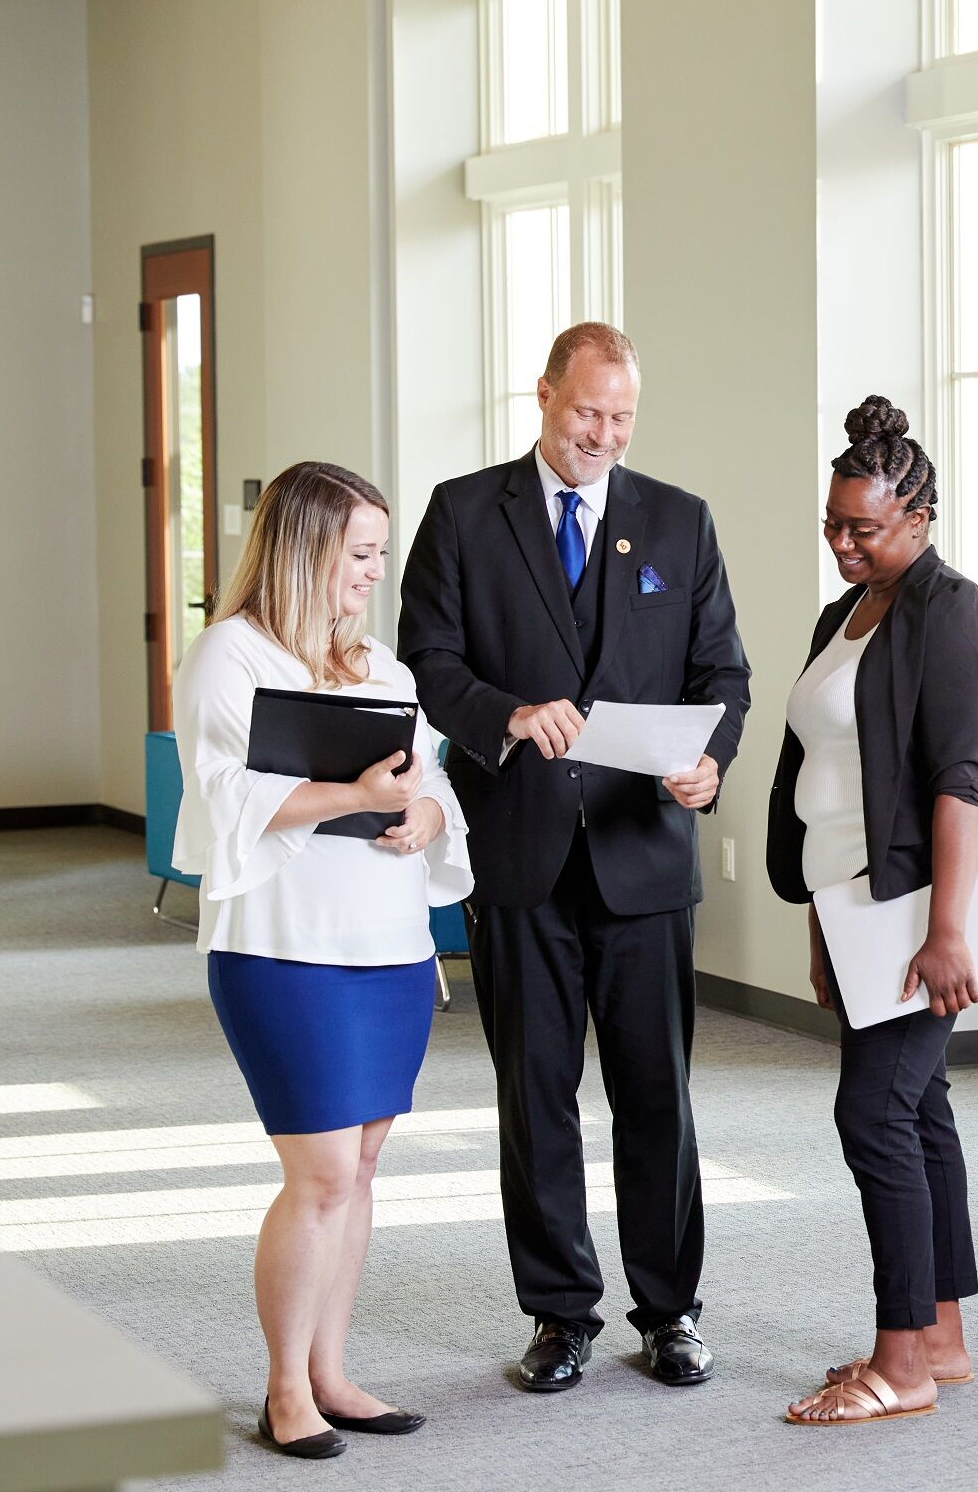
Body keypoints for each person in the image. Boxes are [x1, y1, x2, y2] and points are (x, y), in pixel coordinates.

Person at [398, 321, 750, 1394]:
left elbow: (722, 675)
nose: (602, 434)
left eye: (621, 418)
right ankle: (559, 1314)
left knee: (658, 1097)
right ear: (545, 394)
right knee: (536, 1097)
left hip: (645, 857)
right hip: (521, 856)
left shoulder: (680, 521)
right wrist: (506, 714)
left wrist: (711, 763)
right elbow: (428, 660)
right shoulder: (464, 512)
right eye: (587, 411)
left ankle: (671, 1310)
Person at [171, 461, 471, 1460]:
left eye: (381, 553)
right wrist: (356, 796)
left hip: (388, 946)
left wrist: (422, 816)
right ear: (304, 551)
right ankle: (284, 1390)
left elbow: (432, 784)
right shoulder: (229, 655)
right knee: (323, 1172)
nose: (375, 573)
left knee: (364, 1163)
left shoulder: (380, 666)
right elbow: (224, 799)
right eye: (361, 553)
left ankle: (332, 1373)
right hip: (282, 947)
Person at [767, 396, 978, 1426]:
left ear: (919, 517)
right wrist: (820, 919)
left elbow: (962, 779)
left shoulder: (951, 612)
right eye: (833, 523)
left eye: (863, 528)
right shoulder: (847, 614)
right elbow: (826, 771)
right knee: (917, 1108)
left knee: (872, 1113)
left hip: (919, 909)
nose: (842, 543)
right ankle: (940, 1338)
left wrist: (946, 930)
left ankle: (900, 1362)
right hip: (855, 905)